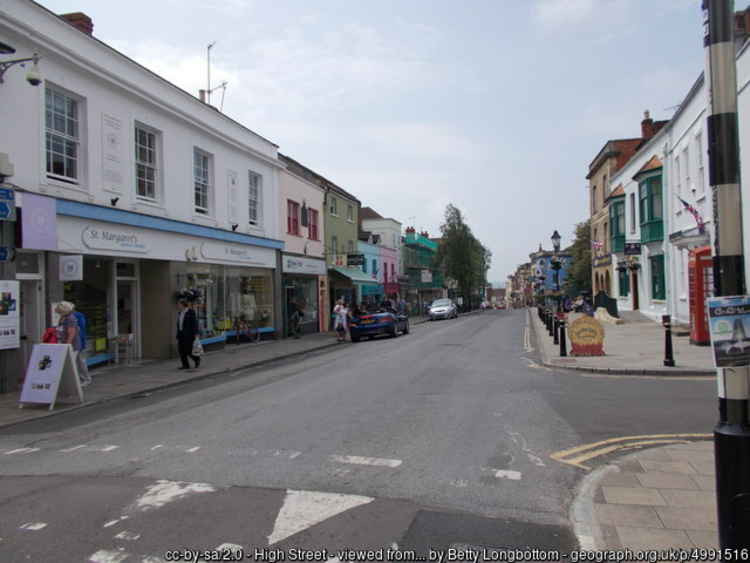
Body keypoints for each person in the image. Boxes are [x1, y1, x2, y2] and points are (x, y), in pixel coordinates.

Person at [55, 301, 89, 387]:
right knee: (75, 362)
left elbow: (73, 332)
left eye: (60, 311)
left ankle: (84, 379)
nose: (59, 313)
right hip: (66, 343)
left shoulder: (72, 318)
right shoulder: (63, 317)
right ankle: (77, 380)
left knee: (79, 362)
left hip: (74, 344)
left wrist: (68, 344)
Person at [176, 299, 200, 369]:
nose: (178, 306)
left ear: (183, 305)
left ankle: (196, 359)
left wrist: (196, 333)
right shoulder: (180, 313)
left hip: (188, 334)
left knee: (188, 350)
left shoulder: (190, 312)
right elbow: (179, 324)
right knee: (181, 350)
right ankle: (185, 365)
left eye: (179, 304)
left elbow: (194, 323)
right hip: (181, 334)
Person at [72, 306, 92, 387]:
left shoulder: (78, 316)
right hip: (77, 342)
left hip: (78, 342)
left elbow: (81, 329)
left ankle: (85, 379)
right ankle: (82, 379)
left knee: (80, 361)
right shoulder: (76, 316)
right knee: (78, 361)